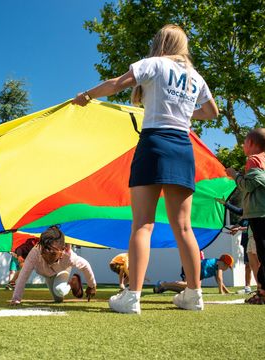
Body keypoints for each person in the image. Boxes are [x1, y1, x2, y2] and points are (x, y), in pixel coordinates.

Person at [72, 24, 219, 313]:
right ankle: (194, 295)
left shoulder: (154, 64)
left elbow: (116, 84)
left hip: (154, 144)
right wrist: (187, 115)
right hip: (182, 148)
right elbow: (212, 112)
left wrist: (86, 95)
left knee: (143, 223)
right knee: (184, 226)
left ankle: (132, 297)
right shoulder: (195, 77)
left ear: (160, 42)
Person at [226, 128, 265, 305]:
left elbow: (248, 185)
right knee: (264, 250)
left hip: (260, 211)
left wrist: (234, 175)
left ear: (251, 143)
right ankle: (263, 290)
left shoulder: (253, 160)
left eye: (244, 142)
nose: (243, 145)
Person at [10, 226, 97, 305]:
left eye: (52, 253)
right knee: (58, 299)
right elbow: (23, 274)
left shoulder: (68, 256)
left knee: (60, 290)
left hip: (62, 271)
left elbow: (85, 265)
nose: (47, 257)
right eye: (44, 252)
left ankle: (72, 283)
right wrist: (16, 299)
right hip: (48, 275)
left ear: (62, 250)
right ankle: (66, 287)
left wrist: (92, 286)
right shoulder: (35, 252)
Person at [215, 198, 253, 294]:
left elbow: (249, 227)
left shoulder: (255, 216)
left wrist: (239, 228)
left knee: (258, 265)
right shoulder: (244, 218)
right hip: (246, 243)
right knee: (248, 266)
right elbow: (236, 225)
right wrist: (232, 229)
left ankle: (262, 287)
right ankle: (247, 287)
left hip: (255, 242)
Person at [154, 254, 234, 294]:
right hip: (195, 267)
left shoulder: (216, 264)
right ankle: (163, 284)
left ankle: (165, 287)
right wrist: (221, 292)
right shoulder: (220, 263)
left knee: (188, 290)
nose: (226, 269)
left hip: (194, 268)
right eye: (227, 267)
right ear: (224, 263)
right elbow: (220, 278)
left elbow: (219, 281)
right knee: (188, 285)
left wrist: (226, 291)